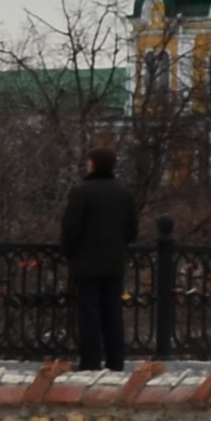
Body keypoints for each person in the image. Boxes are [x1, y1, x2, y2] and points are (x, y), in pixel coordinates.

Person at [59, 149, 138, 372]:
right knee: (113, 313)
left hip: (86, 263)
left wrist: (70, 252)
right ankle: (115, 361)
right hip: (114, 263)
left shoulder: (82, 192)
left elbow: (70, 228)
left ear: (92, 165)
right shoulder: (124, 193)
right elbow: (132, 230)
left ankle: (90, 361)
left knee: (89, 314)